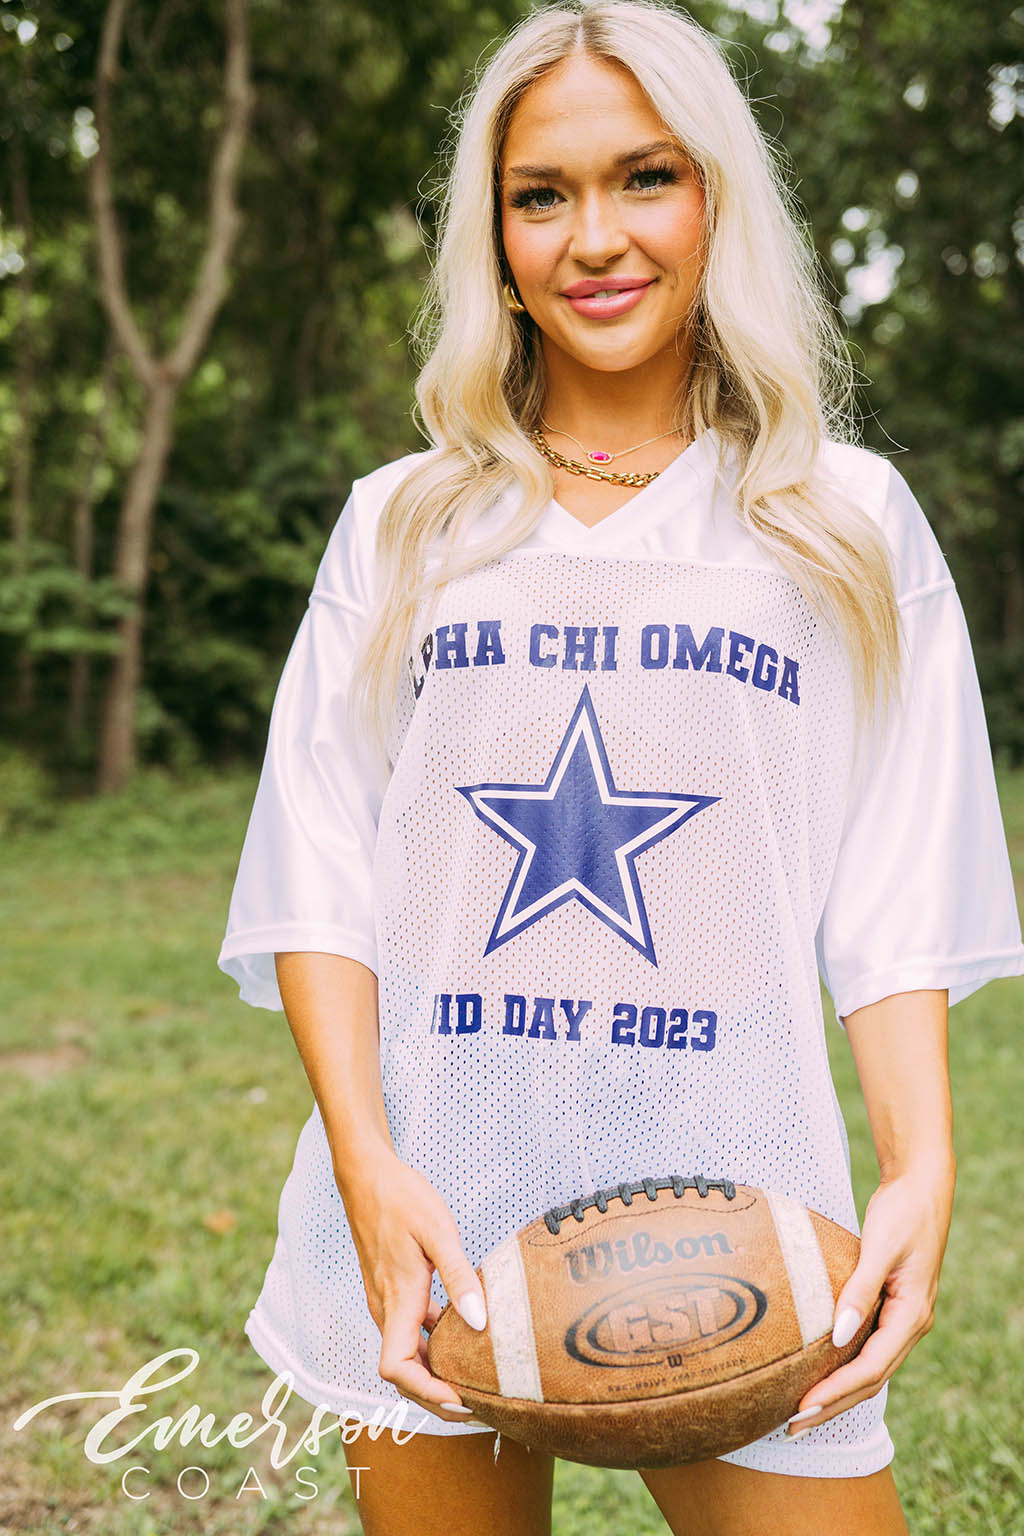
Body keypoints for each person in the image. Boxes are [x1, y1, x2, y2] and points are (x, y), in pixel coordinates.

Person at [217, 2, 1024, 1532]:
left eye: (646, 176)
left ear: (718, 196)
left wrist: (920, 1167)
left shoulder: (842, 525)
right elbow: (321, 873)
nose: (595, 237)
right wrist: (371, 1173)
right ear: (495, 235)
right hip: (430, 1209)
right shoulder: (405, 525)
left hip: (735, 1216)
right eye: (542, 194)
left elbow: (898, 892)